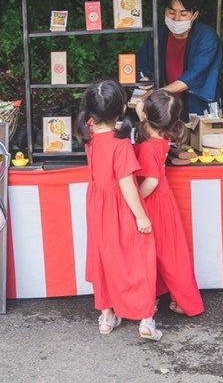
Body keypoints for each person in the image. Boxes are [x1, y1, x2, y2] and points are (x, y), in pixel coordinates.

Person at [75, 80, 162, 341]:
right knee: (139, 258)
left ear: (89, 112)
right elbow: (126, 185)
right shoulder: (120, 144)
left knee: (103, 258)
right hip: (119, 205)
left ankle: (107, 316)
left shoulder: (89, 134)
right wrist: (141, 216)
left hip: (96, 205)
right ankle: (146, 320)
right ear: (124, 108)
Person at [134, 90, 204, 317]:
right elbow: (147, 119)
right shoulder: (161, 135)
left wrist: (134, 202)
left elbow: (151, 181)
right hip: (165, 201)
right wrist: (143, 111)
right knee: (172, 253)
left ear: (146, 116)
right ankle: (181, 298)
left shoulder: (147, 145)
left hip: (154, 202)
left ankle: (185, 301)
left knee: (165, 254)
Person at [136, 0, 222, 119]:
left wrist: (159, 92)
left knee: (199, 139)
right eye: (171, 12)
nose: (176, 18)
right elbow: (143, 64)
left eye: (183, 14)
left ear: (194, 15)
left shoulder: (207, 37)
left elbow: (193, 76)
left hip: (198, 107)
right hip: (165, 109)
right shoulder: (157, 35)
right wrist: (143, 79)